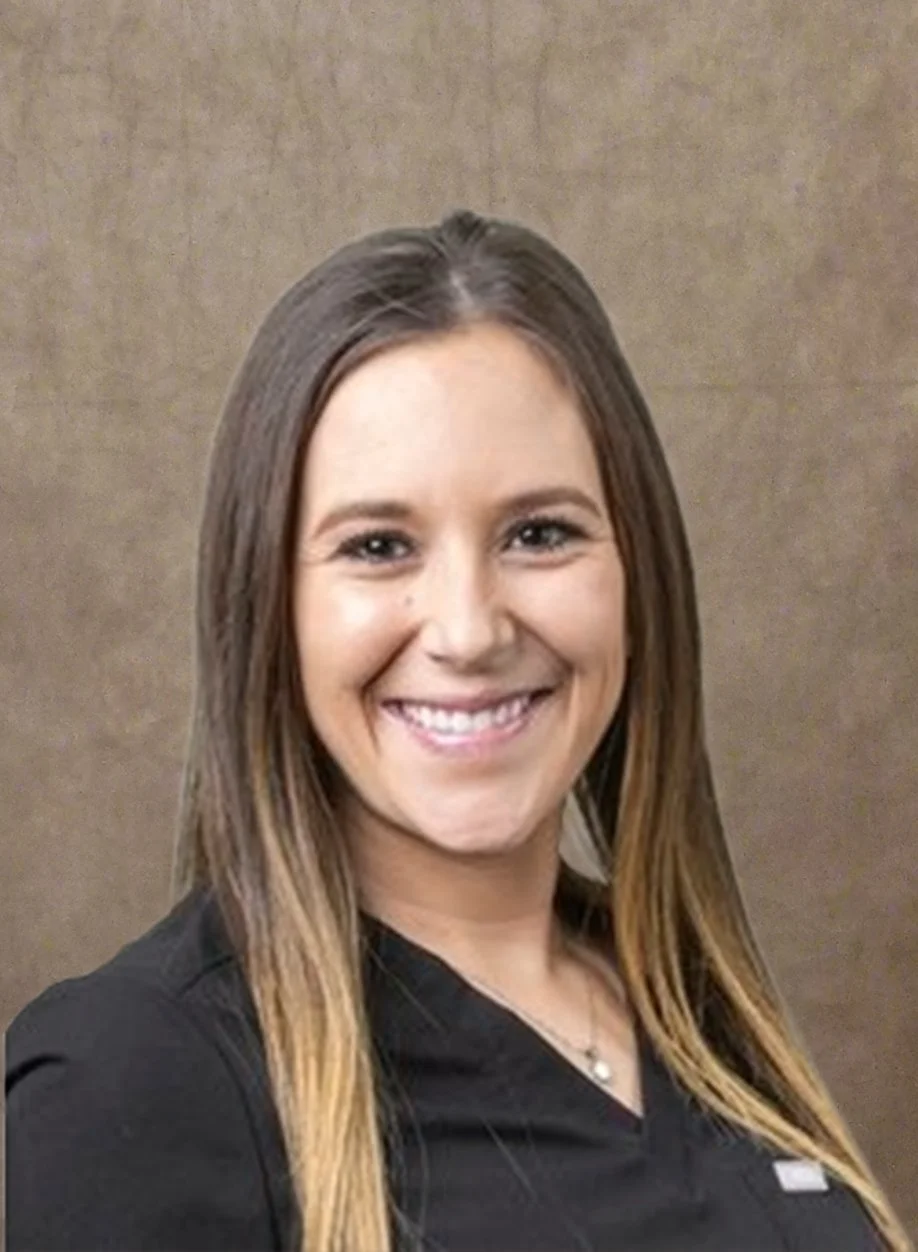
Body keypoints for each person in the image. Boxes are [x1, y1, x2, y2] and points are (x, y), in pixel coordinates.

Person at [6, 209, 910, 1252]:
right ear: (270, 610)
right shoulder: (142, 1077)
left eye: (540, 533)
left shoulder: (701, 1015)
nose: (471, 630)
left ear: (637, 575)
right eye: (380, 545)